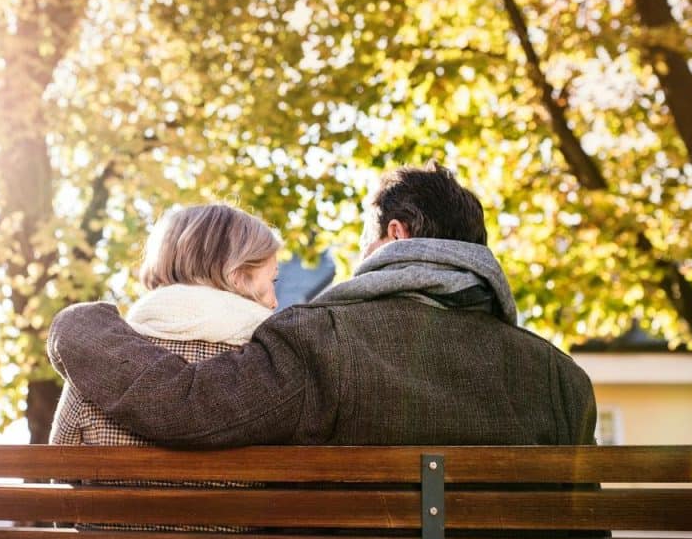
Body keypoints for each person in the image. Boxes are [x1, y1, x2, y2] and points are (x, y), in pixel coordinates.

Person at [48, 164, 597, 448]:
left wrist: (83, 325)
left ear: (394, 235)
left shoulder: (322, 340)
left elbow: (186, 406)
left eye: (363, 240)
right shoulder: (561, 379)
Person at [49, 203, 280, 447]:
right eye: (273, 279)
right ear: (238, 277)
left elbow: (62, 469)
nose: (275, 302)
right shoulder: (276, 371)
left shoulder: (97, 364)